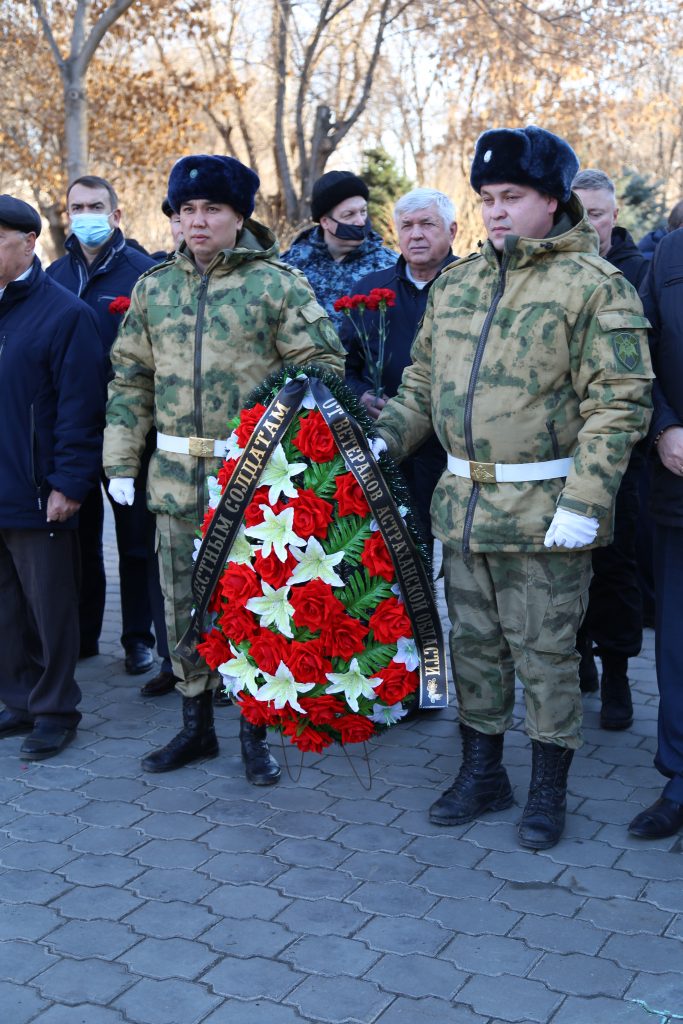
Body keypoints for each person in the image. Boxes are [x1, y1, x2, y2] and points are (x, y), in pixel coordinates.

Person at [376, 126, 653, 850]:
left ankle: (548, 789)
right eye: (486, 199)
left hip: (544, 514)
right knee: (473, 646)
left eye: (512, 197)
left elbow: (618, 404)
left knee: (546, 653)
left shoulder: (594, 286)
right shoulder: (459, 284)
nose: (495, 212)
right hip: (462, 508)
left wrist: (584, 502)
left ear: (552, 200)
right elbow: (420, 383)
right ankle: (483, 773)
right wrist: (383, 438)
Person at [103, 153, 346, 784]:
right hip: (176, 483)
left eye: (212, 209)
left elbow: (322, 366)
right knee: (185, 607)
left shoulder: (277, 285)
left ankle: (254, 734)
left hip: (255, 482)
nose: (198, 221)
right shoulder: (155, 288)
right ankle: (195, 728)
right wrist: (121, 461)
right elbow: (130, 378)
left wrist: (280, 444)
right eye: (187, 211)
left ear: (240, 216)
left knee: (255, 608)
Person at [47, 175, 171, 687]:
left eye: (96, 205)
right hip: (72, 429)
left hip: (132, 430)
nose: (87, 214)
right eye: (78, 206)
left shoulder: (145, 275)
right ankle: (85, 633)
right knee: (77, 537)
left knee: (137, 537)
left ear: (116, 214)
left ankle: (138, 639)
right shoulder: (52, 276)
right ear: (66, 215)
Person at [0, 195, 104, 759]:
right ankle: (19, 699)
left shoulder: (66, 314)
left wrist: (68, 483)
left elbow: (80, 410)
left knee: (50, 606)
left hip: (39, 492)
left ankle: (55, 709)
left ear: (27, 243)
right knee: (5, 607)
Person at [571, 169, 650, 728]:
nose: (589, 223)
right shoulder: (558, 274)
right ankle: (579, 664)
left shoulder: (641, 273)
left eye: (597, 213)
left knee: (616, 569)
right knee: (567, 565)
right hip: (561, 447)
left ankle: (618, 674)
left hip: (626, 453)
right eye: (579, 212)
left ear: (614, 215)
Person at [342, 187, 457, 550]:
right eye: (407, 225)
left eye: (427, 224)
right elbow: (342, 363)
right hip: (388, 444)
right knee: (397, 556)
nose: (416, 234)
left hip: (453, 452)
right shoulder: (370, 290)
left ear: (452, 231)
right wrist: (360, 394)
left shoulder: (475, 288)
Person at [628, 226, 683, 839]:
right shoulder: (671, 252)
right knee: (676, 644)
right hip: (678, 488)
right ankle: (679, 779)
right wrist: (664, 424)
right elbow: (637, 350)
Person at [281, 170, 396, 329]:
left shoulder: (391, 266)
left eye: (363, 211)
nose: (360, 222)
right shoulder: (289, 266)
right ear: (325, 222)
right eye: (349, 215)